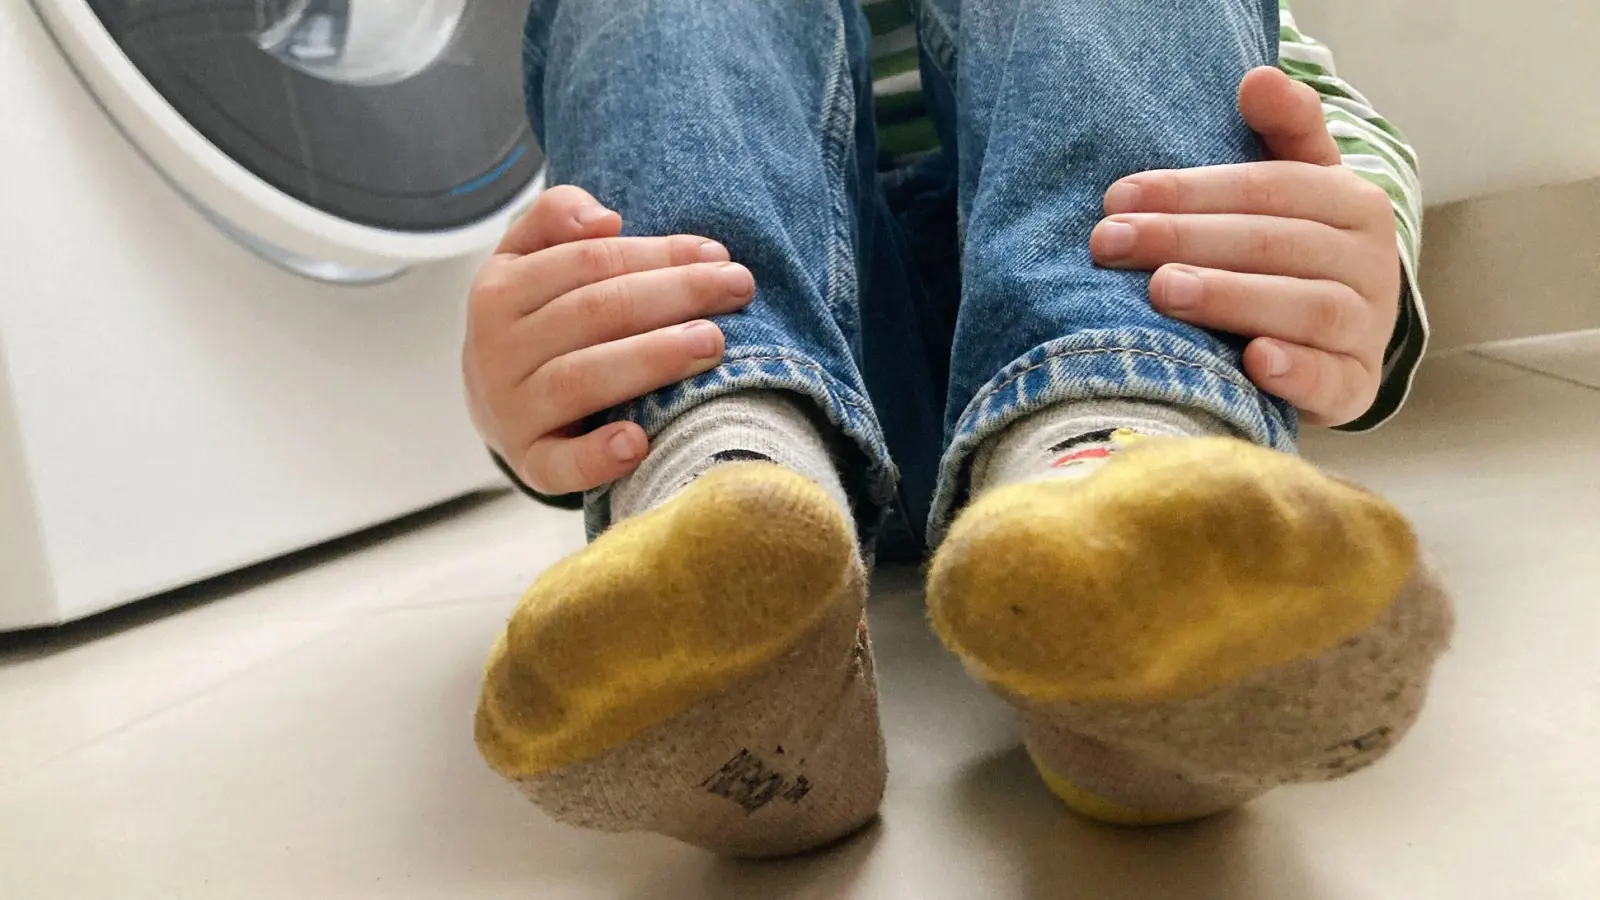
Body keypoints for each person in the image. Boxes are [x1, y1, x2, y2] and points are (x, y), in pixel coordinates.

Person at [466, 0, 1454, 858]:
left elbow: (1299, 110)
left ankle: (1110, 475)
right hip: (803, 358)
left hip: (1117, 309)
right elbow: (633, 165)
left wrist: (1353, 257)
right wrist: (539, 384)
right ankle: (719, 477)